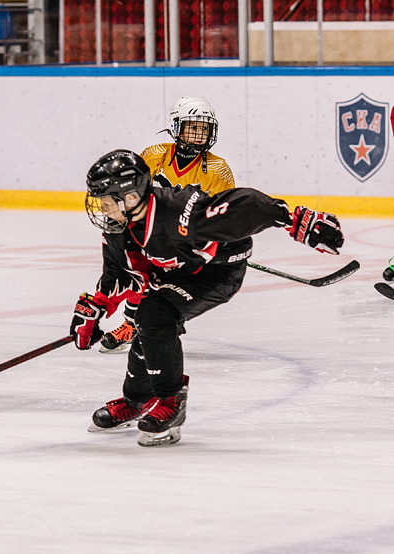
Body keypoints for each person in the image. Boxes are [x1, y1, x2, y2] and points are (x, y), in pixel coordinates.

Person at [71, 149, 344, 447]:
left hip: (217, 273)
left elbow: (244, 205)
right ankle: (137, 398)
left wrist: (292, 219)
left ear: (132, 197)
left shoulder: (177, 212)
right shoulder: (118, 227)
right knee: (147, 319)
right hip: (177, 270)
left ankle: (170, 400)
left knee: (154, 313)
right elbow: (120, 273)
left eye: (108, 200)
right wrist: (95, 306)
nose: (102, 208)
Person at [100, 96, 236, 353]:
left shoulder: (218, 170)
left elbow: (225, 216)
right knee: (134, 274)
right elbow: (132, 193)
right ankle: (133, 323)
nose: (198, 135)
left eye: (204, 129)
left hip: (186, 240)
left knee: (161, 287)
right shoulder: (153, 156)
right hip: (149, 231)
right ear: (176, 127)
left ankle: (142, 325)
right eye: (192, 128)